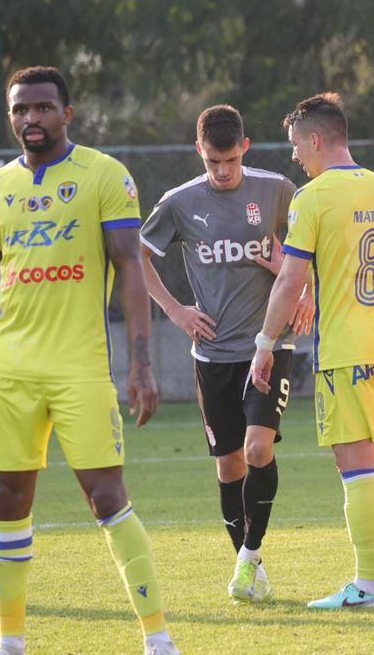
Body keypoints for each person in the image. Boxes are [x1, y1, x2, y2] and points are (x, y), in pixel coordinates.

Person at [0, 67, 181, 654]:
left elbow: (130, 266)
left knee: (107, 497)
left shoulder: (104, 174)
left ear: (67, 113)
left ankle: (159, 639)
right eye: (20, 109)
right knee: (6, 500)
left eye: (41, 107)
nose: (30, 118)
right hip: (10, 368)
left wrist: (140, 361)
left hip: (80, 366)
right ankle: (10, 643)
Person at [248, 93, 374, 609]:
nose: (294, 155)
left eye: (296, 145)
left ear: (316, 140)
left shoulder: (312, 197)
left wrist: (265, 344)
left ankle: (368, 585)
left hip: (346, 348)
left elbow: (291, 279)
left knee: (355, 466)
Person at [139, 104, 314, 603]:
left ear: (245, 149)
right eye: (213, 162)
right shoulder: (178, 202)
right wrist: (176, 311)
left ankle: (248, 557)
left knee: (259, 449)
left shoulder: (277, 189)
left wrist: (306, 290)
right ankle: (249, 566)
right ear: (199, 150)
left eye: (231, 160)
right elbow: (136, 257)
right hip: (212, 355)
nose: (222, 171)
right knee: (229, 465)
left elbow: (312, 246)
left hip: (270, 344)